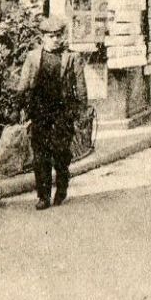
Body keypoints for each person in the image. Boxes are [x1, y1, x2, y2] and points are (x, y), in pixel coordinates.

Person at [13, 16, 90, 210]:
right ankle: (43, 196)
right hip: (39, 112)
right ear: (43, 38)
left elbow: (81, 88)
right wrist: (18, 109)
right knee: (40, 156)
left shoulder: (71, 57)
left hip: (63, 113)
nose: (55, 40)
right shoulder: (32, 58)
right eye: (51, 36)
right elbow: (23, 85)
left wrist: (80, 113)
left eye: (58, 36)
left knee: (61, 154)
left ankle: (61, 189)